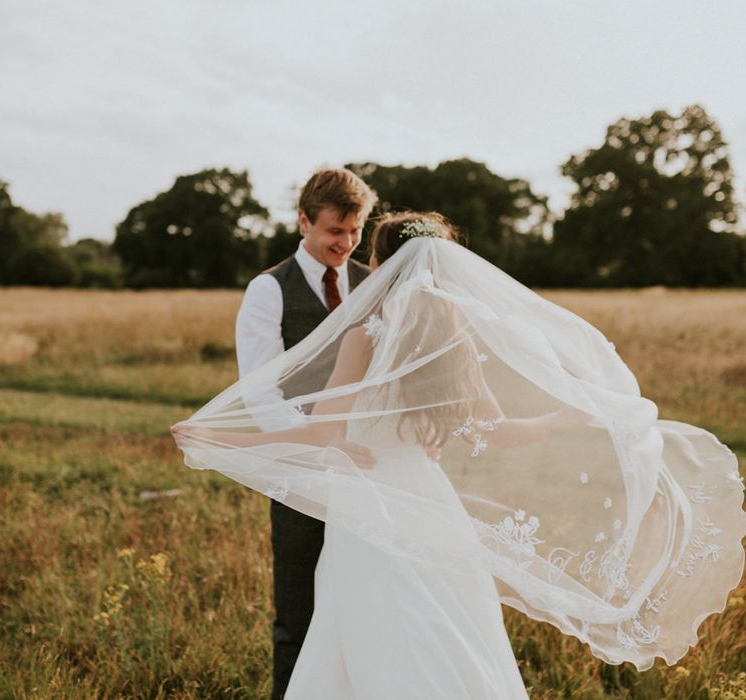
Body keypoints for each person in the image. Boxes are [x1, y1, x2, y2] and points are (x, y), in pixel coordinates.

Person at [173, 212, 746, 699]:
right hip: (432, 506)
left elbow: (321, 434)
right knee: (446, 636)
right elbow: (500, 431)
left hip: (370, 515)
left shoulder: (365, 336)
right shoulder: (454, 338)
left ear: (382, 265)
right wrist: (564, 414)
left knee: (374, 638)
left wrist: (221, 440)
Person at [233, 167, 377, 699]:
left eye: (355, 231)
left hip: (368, 470)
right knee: (297, 612)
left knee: (363, 607)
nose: (346, 243)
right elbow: (259, 392)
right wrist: (319, 443)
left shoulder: (372, 282)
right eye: (335, 231)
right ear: (304, 222)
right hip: (299, 476)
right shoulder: (268, 290)